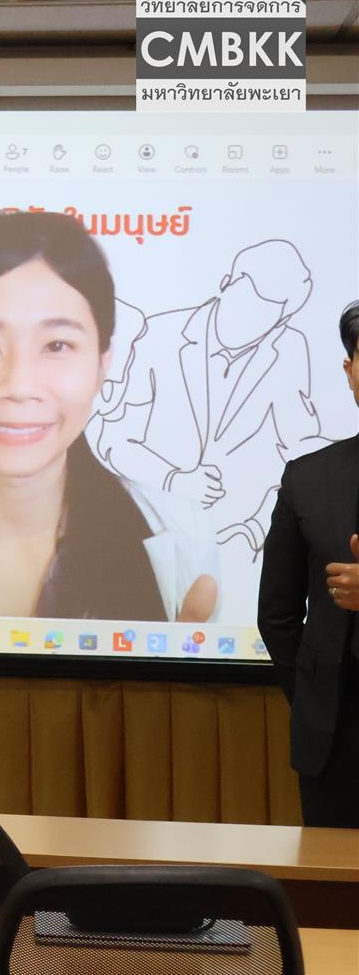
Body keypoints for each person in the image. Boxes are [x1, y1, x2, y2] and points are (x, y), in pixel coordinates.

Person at [0, 211, 221, 622]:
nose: (18, 386)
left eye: (56, 345)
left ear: (103, 363)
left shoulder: (182, 534)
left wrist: (172, 664)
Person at [96, 239, 324, 556]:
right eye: (245, 303)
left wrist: (256, 529)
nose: (248, 321)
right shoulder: (159, 334)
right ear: (225, 284)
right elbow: (114, 439)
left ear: (280, 321)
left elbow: (302, 452)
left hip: (240, 544)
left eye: (265, 315)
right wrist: (172, 479)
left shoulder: (289, 350)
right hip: (151, 535)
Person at [258, 301, 359, 828]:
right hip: (334, 742)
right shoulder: (308, 478)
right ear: (350, 371)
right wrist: (317, 698)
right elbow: (276, 614)